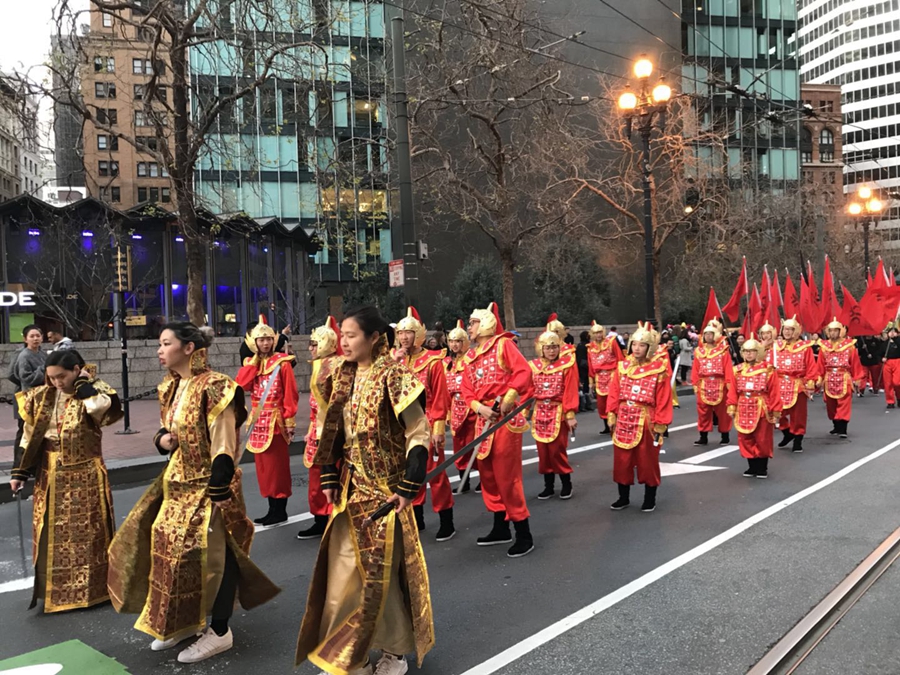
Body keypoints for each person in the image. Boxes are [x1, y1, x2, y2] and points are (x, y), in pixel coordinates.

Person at [108, 322, 279, 664]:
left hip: (209, 484)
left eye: (165, 343)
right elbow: (166, 428)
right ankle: (186, 621)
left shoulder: (215, 386)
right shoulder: (170, 386)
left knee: (216, 552)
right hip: (176, 484)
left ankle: (219, 630)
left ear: (188, 348)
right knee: (171, 551)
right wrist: (161, 440)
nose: (159, 349)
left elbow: (224, 439)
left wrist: (219, 482)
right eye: (159, 343)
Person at [296, 306, 434, 675]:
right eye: (342, 335)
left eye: (352, 335)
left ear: (375, 338)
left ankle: (394, 652)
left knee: (382, 576)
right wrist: (328, 475)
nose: (344, 341)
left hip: (387, 494)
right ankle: (348, 655)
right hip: (351, 491)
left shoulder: (395, 375)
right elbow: (332, 430)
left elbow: (417, 431)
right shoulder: (341, 376)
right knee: (343, 573)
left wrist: (409, 483)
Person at [10, 349, 123, 612]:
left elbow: (99, 411)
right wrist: (20, 471)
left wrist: (84, 384)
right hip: (50, 473)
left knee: (88, 534)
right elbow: (28, 436)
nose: (57, 383)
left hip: (86, 475)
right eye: (52, 378)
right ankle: (55, 592)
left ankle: (93, 590)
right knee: (51, 531)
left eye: (62, 376)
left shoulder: (96, 391)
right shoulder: (41, 396)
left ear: (77, 369)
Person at [461, 302, 535, 558]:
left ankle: (523, 532)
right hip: (484, 420)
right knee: (488, 476)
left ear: (485, 324)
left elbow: (523, 371)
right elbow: (466, 389)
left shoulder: (504, 344)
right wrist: (479, 408)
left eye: (473, 322)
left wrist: (508, 397)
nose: (469, 327)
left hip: (505, 420)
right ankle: (499, 526)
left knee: (507, 476)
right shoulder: (470, 356)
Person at [393, 306, 455, 541]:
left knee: (434, 474)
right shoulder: (395, 361)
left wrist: (439, 429)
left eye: (409, 332)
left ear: (418, 333)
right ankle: (415, 519)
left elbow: (440, 396)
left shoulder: (433, 361)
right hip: (403, 427)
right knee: (408, 473)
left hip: (427, 424)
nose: (404, 337)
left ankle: (445, 518)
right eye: (401, 333)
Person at [235, 315, 299, 526]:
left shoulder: (283, 363)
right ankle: (271, 507)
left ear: (273, 340)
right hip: (257, 423)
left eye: (268, 339)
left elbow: (290, 393)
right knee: (263, 469)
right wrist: (253, 363)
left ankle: (280, 509)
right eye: (260, 340)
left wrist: (290, 419)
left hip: (276, 422)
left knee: (277, 468)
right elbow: (241, 385)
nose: (265, 343)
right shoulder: (251, 364)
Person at [607, 322, 673, 513]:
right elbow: (614, 391)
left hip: (646, 419)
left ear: (649, 347)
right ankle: (623, 496)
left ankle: (649, 497)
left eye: (641, 345)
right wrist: (611, 413)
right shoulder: (622, 367)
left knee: (647, 461)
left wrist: (661, 424)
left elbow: (663, 399)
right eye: (634, 344)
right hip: (624, 418)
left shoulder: (658, 369)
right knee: (622, 460)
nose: (637, 348)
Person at [297, 316, 342, 540]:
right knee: (316, 477)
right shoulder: (317, 366)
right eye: (311, 344)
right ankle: (319, 518)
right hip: (317, 432)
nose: (312, 349)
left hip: (334, 432)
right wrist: (311, 429)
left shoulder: (338, 366)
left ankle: (333, 518)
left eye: (315, 344)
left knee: (333, 476)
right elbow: (316, 407)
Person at [529, 326, 578, 500]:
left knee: (557, 450)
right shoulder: (533, 367)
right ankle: (548, 486)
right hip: (540, 412)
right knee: (542, 451)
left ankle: (566, 483)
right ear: (541, 348)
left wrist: (570, 415)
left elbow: (570, 391)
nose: (551, 351)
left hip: (558, 412)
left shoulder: (567, 364)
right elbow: (527, 391)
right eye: (548, 347)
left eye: (555, 347)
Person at [726, 336, 780, 478]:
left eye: (752, 351)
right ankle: (752, 465)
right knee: (745, 437)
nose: (749, 354)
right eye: (746, 351)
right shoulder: (737, 370)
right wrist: (732, 405)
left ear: (759, 352)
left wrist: (776, 410)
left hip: (761, 406)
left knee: (762, 438)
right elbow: (733, 390)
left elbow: (774, 391)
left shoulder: (768, 370)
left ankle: (762, 467)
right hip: (743, 406)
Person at [772, 316, 818, 453]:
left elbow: (811, 366)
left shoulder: (805, 348)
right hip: (779, 384)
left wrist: (810, 382)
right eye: (785, 329)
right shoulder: (776, 347)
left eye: (790, 329)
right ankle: (787, 432)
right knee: (777, 412)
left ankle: (798, 439)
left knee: (798, 415)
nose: (787, 332)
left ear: (796, 331)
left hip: (797, 384)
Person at [817, 318, 866, 438]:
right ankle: (835, 424)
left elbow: (855, 363)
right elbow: (820, 364)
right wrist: (818, 378)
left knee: (844, 403)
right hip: (829, 378)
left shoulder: (849, 347)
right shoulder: (824, 346)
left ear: (840, 331)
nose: (833, 333)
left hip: (844, 377)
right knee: (830, 404)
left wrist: (857, 378)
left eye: (835, 330)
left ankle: (843, 427)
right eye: (831, 331)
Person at [7, 324, 47, 467]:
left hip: (41, 397)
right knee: (25, 432)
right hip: (28, 398)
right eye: (32, 336)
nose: (35, 339)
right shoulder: (23, 355)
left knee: (36, 433)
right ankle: (20, 466)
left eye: (38, 336)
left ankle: (32, 464)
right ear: (25, 339)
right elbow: (25, 377)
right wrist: (42, 370)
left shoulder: (42, 354)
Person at [445, 319, 476, 493]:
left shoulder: (472, 360)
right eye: (452, 341)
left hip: (471, 407)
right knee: (459, 445)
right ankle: (464, 479)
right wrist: (448, 412)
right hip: (455, 407)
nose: (455, 345)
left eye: (458, 341)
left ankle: (482, 478)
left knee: (476, 443)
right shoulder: (447, 363)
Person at [691, 320, 733, 446]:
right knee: (703, 412)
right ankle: (703, 436)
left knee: (723, 412)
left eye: (711, 334)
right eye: (706, 334)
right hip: (703, 384)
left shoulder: (723, 351)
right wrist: (695, 383)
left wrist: (729, 383)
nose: (708, 336)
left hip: (720, 384)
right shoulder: (699, 351)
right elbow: (695, 369)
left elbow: (728, 368)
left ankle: (725, 435)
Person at [587, 321, 624, 435]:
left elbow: (620, 358)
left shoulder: (611, 342)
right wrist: (591, 381)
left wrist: (621, 375)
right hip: (599, 377)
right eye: (596, 333)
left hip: (612, 374)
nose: (598, 335)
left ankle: (617, 424)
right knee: (601, 403)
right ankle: (606, 425)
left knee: (613, 400)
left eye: (600, 332)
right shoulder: (590, 348)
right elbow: (590, 366)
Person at [881, 326, 900, 408]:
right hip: (888, 363)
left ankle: (899, 397)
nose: (892, 333)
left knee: (897, 382)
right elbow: (879, 353)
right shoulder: (885, 344)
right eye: (890, 332)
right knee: (888, 383)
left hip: (898, 361)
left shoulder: (899, 341)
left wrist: (895, 339)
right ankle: (890, 401)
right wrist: (882, 359)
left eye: (894, 332)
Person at [575, 331, 593, 412]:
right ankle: (586, 404)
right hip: (586, 366)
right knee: (585, 385)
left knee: (582, 385)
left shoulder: (579, 345)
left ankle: (583, 404)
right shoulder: (587, 345)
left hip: (580, 367)